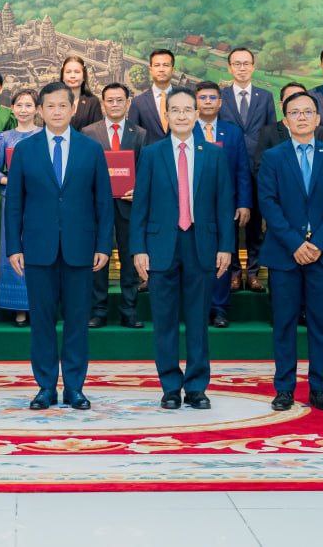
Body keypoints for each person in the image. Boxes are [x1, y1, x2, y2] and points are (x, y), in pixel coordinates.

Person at [5, 82, 114, 410]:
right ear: (40, 110)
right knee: (41, 321)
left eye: (62, 105)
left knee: (77, 321)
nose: (56, 111)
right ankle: (45, 387)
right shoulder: (25, 150)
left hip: (81, 249)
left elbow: (103, 202)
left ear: (73, 108)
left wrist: (104, 245)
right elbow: (14, 203)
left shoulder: (91, 149)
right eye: (49, 106)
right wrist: (13, 247)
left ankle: (75, 387)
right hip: (38, 249)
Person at [130, 88, 234, 409]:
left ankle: (197, 387)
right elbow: (140, 205)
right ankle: (171, 387)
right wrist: (138, 248)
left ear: (197, 114)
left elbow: (223, 204)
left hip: (201, 245)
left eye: (188, 110)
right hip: (161, 246)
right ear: (167, 116)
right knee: (164, 321)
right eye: (175, 110)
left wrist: (226, 246)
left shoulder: (213, 154)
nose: (181, 115)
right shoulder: (151, 154)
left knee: (198, 320)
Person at [258, 91, 323, 412]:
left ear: (318, 118)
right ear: (285, 121)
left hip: (321, 255)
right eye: (294, 112)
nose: (301, 117)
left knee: (320, 324)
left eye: (307, 112)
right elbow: (268, 203)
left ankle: (319, 389)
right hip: (284, 254)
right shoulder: (273, 157)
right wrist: (295, 243)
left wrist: (318, 242)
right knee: (284, 324)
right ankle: (284, 388)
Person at [80, 82, 144, 328]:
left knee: (130, 257)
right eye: (110, 100)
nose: (115, 104)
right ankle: (98, 311)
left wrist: (139, 190)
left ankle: (129, 311)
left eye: (120, 100)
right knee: (99, 257)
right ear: (103, 103)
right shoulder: (88, 132)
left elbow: (145, 169)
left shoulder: (140, 134)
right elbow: (84, 169)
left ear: (128, 103)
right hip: (98, 207)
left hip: (129, 205)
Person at [194, 81, 252, 327]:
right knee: (195, 257)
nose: (207, 102)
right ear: (195, 102)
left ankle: (219, 309)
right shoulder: (185, 129)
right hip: (192, 206)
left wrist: (244, 203)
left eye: (212, 98)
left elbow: (242, 170)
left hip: (225, 206)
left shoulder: (232, 132)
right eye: (202, 97)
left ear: (220, 103)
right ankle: (198, 307)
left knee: (223, 255)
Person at [219, 48, 275, 293]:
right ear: (229, 68)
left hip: (258, 167)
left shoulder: (266, 96)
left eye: (246, 63)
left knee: (255, 224)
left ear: (253, 66)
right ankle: (233, 272)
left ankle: (253, 272)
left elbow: (271, 132)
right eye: (236, 64)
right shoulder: (221, 96)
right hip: (228, 168)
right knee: (228, 223)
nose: (241, 68)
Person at [0, 88, 42, 327]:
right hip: (11, 199)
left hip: (38, 201)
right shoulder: (4, 138)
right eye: (19, 105)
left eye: (28, 105)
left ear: (37, 109)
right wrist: (8, 179)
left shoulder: (43, 135)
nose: (23, 110)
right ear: (12, 108)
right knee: (13, 248)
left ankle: (39, 304)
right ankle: (19, 307)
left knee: (37, 250)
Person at [254, 82, 312, 176]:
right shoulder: (268, 132)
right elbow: (260, 168)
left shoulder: (318, 131)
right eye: (290, 98)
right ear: (281, 105)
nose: (296, 103)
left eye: (301, 98)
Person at [127, 48, 175, 146]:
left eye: (166, 65)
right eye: (157, 65)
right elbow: (133, 138)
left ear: (173, 70)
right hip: (149, 155)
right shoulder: (137, 103)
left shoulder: (185, 99)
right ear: (150, 70)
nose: (161, 69)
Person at [62, 55, 104, 131]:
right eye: (68, 72)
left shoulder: (93, 102)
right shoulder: (53, 100)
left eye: (77, 72)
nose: (72, 76)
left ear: (84, 76)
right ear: (63, 77)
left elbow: (97, 132)